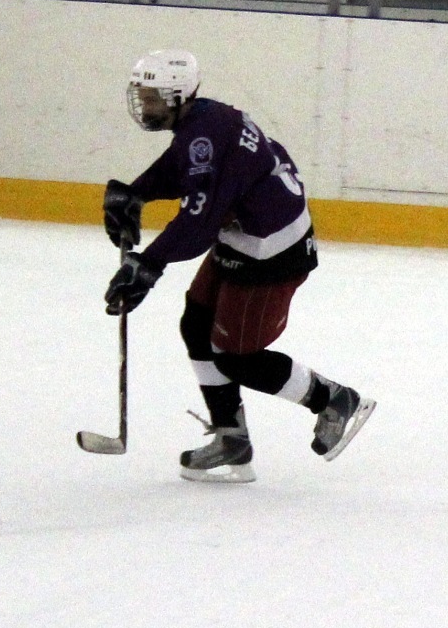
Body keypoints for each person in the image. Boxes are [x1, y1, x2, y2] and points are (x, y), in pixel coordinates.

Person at [102, 50, 376, 483]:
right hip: (245, 236)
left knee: (237, 359)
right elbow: (184, 167)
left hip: (270, 252)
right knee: (197, 325)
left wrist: (148, 265)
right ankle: (232, 437)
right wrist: (137, 192)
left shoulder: (207, 133)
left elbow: (198, 224)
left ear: (177, 96)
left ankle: (334, 399)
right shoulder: (203, 121)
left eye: (153, 97)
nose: (145, 105)